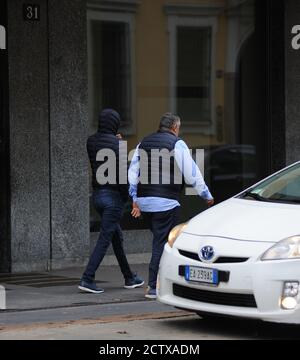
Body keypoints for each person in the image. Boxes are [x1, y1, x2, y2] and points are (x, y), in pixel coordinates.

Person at [128, 113, 214, 299]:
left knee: (161, 240)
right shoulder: (177, 144)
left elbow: (132, 172)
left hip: (145, 203)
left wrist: (134, 197)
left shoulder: (143, 142)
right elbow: (192, 173)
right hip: (166, 202)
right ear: (175, 127)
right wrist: (206, 194)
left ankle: (164, 282)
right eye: (179, 128)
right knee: (162, 243)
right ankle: (153, 286)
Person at [79, 109, 144, 294]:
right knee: (105, 239)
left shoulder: (90, 141)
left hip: (97, 196)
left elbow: (101, 147)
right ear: (115, 124)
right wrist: (128, 198)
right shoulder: (118, 145)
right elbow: (123, 177)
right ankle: (87, 278)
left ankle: (129, 277)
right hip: (113, 199)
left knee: (116, 237)